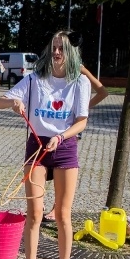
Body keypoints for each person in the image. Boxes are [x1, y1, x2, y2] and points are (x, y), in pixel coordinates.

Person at [0, 30, 91, 259]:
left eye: (62, 48)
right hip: (37, 147)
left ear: (71, 52)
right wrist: (13, 103)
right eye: (54, 47)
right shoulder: (35, 79)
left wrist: (60, 138)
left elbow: (81, 121)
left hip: (64, 146)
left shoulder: (80, 82)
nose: (57, 52)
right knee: (35, 214)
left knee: (62, 214)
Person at [42, 66, 107, 222]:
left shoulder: (79, 70)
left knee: (62, 166)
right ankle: (38, 204)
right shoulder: (53, 68)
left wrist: (82, 108)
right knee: (41, 163)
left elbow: (103, 92)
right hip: (51, 123)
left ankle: (56, 208)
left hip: (71, 128)